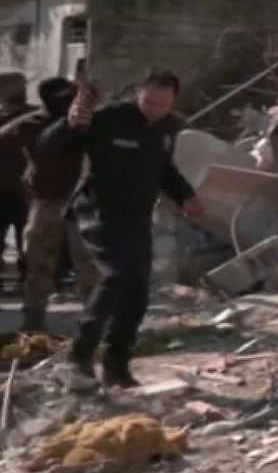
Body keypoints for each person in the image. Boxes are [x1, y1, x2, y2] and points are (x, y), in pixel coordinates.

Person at [40, 70, 203, 387]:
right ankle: (79, 357)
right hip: (99, 214)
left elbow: (164, 169)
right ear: (138, 91)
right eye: (150, 101)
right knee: (117, 277)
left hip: (137, 220)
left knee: (137, 293)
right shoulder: (107, 119)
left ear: (173, 101)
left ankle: (117, 368)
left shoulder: (167, 128)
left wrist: (186, 196)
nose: (154, 109)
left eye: (163, 104)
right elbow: (49, 146)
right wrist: (69, 124)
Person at [4, 78, 98, 331]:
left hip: (83, 203)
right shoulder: (28, 125)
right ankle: (33, 321)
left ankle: (95, 321)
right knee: (38, 263)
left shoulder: (89, 123)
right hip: (46, 202)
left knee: (88, 264)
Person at [0, 73, 30, 297]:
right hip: (16, 191)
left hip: (26, 192)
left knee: (27, 243)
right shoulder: (37, 117)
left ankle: (29, 284)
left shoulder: (34, 118)